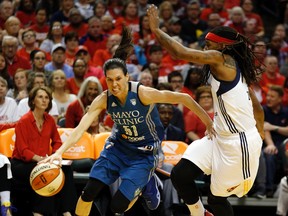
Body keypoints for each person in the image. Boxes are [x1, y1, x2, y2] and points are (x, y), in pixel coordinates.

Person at [41, 26, 214, 216]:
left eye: (118, 79)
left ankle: (148, 184)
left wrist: (208, 123)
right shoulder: (104, 98)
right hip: (117, 147)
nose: (114, 85)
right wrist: (59, 153)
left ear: (127, 77)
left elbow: (185, 99)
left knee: (117, 206)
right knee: (88, 193)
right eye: (109, 80)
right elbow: (80, 128)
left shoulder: (143, 94)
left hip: (144, 153)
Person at [147, 5, 264, 216]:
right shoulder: (234, 67)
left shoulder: (222, 60)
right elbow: (257, 107)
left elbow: (179, 52)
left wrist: (156, 30)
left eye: (209, 44)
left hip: (239, 143)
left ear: (222, 46)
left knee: (216, 198)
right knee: (180, 175)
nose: (205, 48)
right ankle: (198, 213)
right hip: (219, 137)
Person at [10, 86, 77, 215]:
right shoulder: (23, 121)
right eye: (40, 97)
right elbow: (23, 150)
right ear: (33, 101)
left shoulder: (50, 120)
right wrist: (41, 160)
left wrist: (55, 156)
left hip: (44, 160)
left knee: (67, 170)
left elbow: (57, 141)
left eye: (47, 97)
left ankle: (66, 211)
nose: (44, 100)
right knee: (45, 173)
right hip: (22, 164)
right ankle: (39, 212)